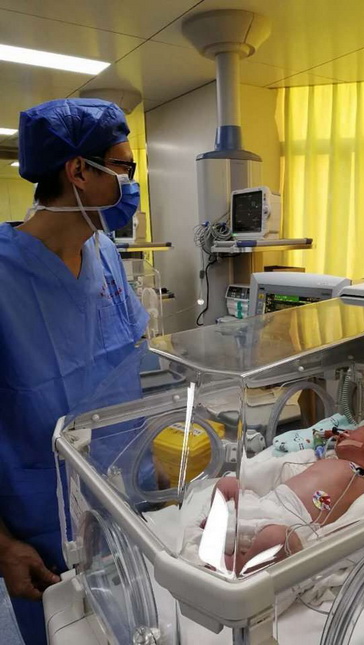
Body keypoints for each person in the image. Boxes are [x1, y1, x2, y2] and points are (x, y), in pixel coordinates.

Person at [0, 98, 149, 644]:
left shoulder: (105, 254)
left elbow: (131, 363)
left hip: (128, 499)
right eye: (124, 167)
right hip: (41, 525)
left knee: (141, 625)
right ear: (79, 171)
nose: (132, 184)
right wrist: (2, 546)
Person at [208, 424, 364, 575]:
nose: (345, 432)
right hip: (266, 502)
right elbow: (285, 471)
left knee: (278, 539)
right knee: (227, 484)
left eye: (355, 432)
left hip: (291, 522)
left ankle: (237, 566)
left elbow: (363, 517)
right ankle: (217, 524)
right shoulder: (327, 459)